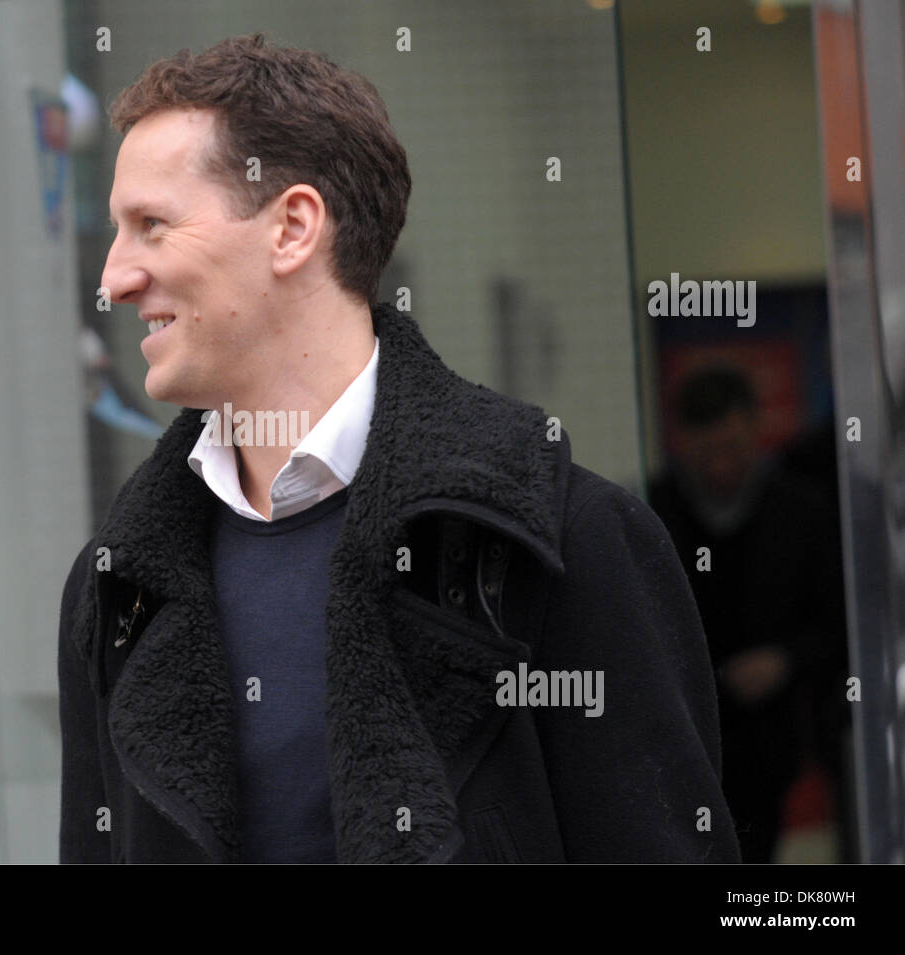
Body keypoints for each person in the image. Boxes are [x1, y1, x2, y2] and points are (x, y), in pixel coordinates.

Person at [58, 33, 739, 864]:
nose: (115, 276)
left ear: (293, 228)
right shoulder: (116, 588)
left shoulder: (563, 541)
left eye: (152, 226)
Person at [649, 366, 848, 862]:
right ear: (681, 442)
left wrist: (785, 660)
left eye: (731, 449)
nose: (720, 467)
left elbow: (838, 620)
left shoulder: (800, 510)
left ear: (756, 430)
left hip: (771, 738)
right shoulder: (653, 512)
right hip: (682, 737)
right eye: (706, 452)